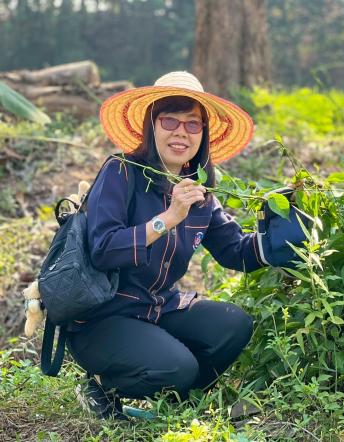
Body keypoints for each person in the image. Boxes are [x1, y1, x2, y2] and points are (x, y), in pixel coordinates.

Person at [67, 71, 267, 420]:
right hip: (104, 318)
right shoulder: (121, 171)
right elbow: (103, 249)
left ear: (203, 133)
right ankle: (101, 386)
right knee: (178, 366)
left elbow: (236, 250)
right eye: (170, 121)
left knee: (233, 324)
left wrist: (281, 227)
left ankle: (179, 402)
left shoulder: (199, 192)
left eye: (192, 124)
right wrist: (168, 218)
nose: (181, 132)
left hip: (159, 308)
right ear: (151, 126)